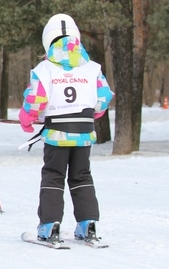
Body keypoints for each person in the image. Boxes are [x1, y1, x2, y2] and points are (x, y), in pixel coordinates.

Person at [18, 14, 113, 244]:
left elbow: (36, 99)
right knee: (82, 176)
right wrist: (94, 113)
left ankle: (49, 226)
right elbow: (103, 98)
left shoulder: (44, 69)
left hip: (57, 135)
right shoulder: (92, 68)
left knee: (53, 176)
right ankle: (87, 224)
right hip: (83, 134)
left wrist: (27, 118)